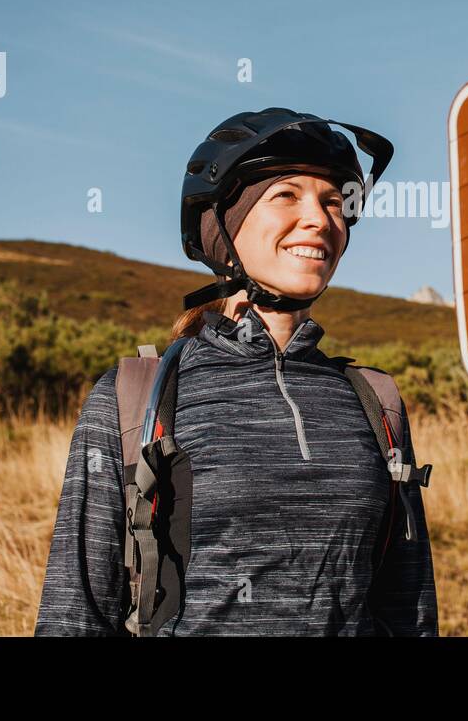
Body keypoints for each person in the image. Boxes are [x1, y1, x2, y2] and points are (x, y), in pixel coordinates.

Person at [34, 107, 438, 636]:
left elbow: (408, 606)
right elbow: (75, 613)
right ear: (224, 224)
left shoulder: (373, 401)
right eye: (286, 195)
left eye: (334, 201)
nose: (320, 219)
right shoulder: (137, 396)